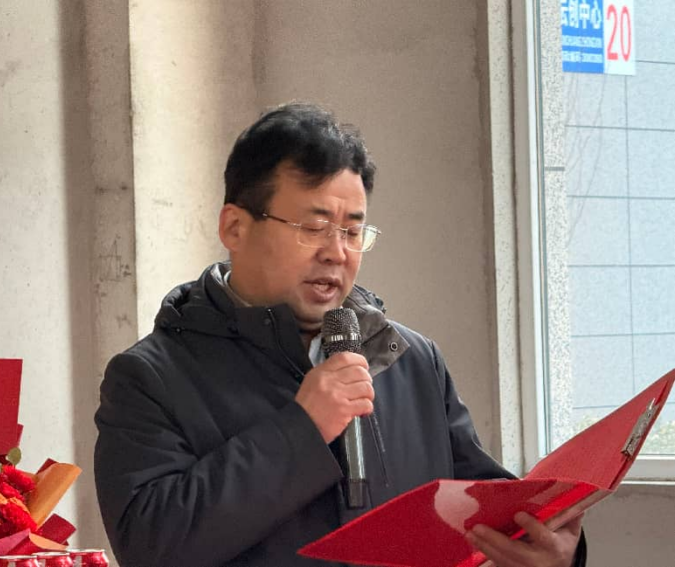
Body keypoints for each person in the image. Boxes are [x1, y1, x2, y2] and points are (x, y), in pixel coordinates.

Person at [94, 102, 586, 567]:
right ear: (235, 228)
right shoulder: (149, 377)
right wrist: (302, 430)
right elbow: (150, 546)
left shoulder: (410, 359)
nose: (337, 252)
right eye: (314, 227)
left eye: (352, 232)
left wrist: (552, 546)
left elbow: (485, 509)